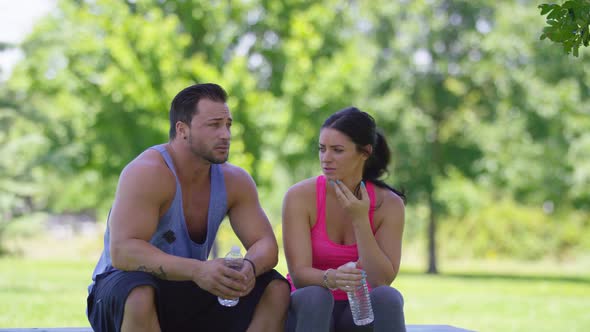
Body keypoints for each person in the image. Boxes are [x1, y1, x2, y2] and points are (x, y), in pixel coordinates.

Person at [87, 83, 290, 332]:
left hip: (188, 285)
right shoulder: (147, 172)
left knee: (275, 288)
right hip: (119, 289)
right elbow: (123, 252)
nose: (225, 134)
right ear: (182, 129)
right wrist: (199, 270)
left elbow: (266, 246)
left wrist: (248, 268)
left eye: (228, 125)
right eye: (214, 125)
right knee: (139, 292)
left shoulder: (235, 180)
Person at [283, 107, 406, 332]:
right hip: (308, 310)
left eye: (337, 150)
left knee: (388, 297)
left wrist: (360, 219)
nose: (326, 158)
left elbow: (381, 281)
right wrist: (333, 278)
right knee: (316, 297)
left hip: (358, 310)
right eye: (322, 149)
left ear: (365, 152)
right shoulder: (299, 197)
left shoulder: (389, 204)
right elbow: (300, 275)